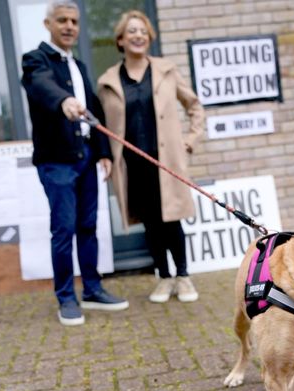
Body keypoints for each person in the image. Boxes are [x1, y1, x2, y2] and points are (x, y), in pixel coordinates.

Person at [21, 0, 128, 326]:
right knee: (64, 230)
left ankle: (93, 290)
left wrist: (105, 153)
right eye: (62, 20)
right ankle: (66, 297)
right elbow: (40, 85)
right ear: (48, 24)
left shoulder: (79, 66)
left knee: (87, 228)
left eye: (74, 21)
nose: (69, 26)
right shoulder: (35, 60)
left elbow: (92, 111)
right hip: (57, 162)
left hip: (85, 158)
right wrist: (63, 100)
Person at [97, 10, 205, 303]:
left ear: (149, 38)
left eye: (142, 31)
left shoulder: (166, 71)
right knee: (151, 222)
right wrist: (105, 156)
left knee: (172, 219)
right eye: (131, 31)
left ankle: (183, 276)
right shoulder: (108, 82)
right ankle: (163, 277)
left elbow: (194, 105)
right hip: (133, 165)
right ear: (120, 39)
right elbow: (102, 126)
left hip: (167, 162)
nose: (138, 36)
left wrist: (190, 140)